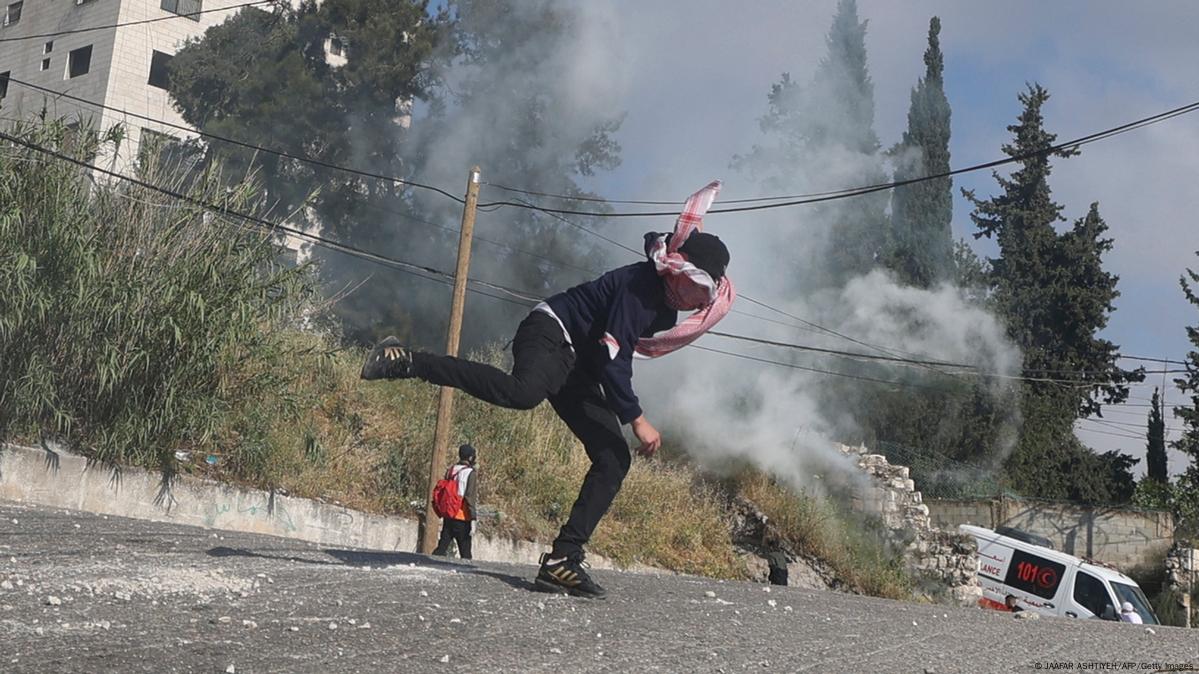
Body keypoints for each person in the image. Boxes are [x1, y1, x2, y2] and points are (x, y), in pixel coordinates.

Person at [361, 181, 734, 599]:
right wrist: (637, 418)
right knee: (523, 393)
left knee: (612, 458)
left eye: (703, 294)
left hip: (576, 365)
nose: (692, 298)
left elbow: (609, 354)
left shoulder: (664, 307)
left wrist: (623, 411)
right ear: (676, 268)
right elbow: (614, 356)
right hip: (551, 330)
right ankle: (408, 361)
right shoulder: (642, 288)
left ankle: (562, 560)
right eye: (693, 286)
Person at [433, 444, 479, 560]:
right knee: (465, 553)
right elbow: (470, 497)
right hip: (462, 517)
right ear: (470, 458)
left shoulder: (451, 470)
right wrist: (473, 518)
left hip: (449, 515)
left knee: (441, 548)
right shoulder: (470, 473)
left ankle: (430, 564)